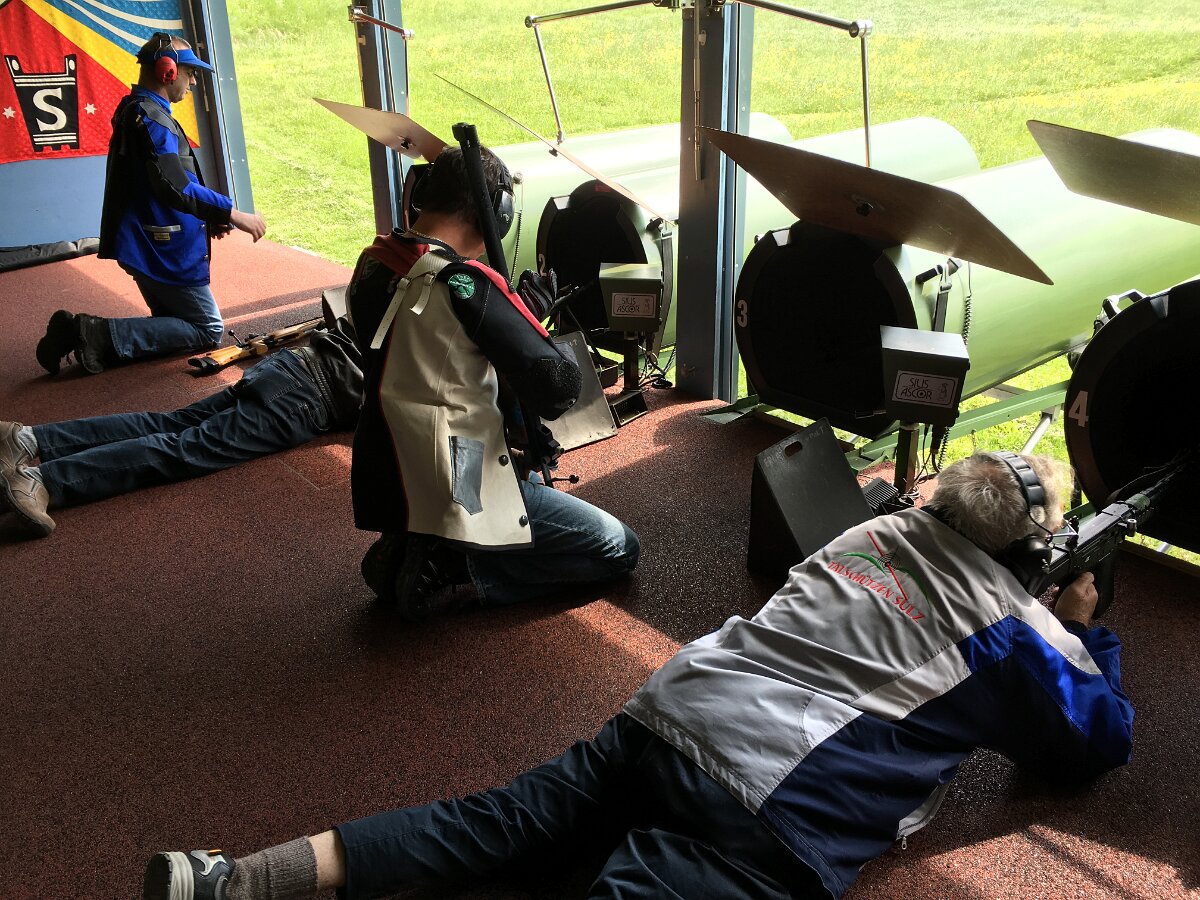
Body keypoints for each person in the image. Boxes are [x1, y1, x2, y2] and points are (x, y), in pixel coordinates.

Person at [141, 451, 1134, 900]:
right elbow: (1096, 741)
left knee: (489, 825)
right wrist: (1087, 630)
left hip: (665, 718)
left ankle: (233, 880)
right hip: (769, 808)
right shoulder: (1012, 631)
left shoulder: (866, 533)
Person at [345, 144, 639, 620]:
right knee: (618, 547)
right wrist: (530, 318)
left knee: (521, 476)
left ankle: (418, 544)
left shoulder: (375, 259)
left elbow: (435, 347)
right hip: (460, 477)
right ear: (496, 213)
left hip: (397, 468)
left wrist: (508, 315)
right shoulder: (463, 282)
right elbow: (559, 388)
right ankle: (462, 570)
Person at [36, 32, 267, 377]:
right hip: (159, 247)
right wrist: (231, 213)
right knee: (206, 327)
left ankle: (92, 339)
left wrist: (208, 218)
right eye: (190, 74)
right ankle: (90, 332)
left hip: (146, 240)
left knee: (173, 321)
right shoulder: (152, 119)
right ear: (167, 71)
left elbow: (156, 185)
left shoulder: (138, 110)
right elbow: (175, 186)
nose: (192, 83)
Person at [1, 317, 361, 538]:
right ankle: (40, 481)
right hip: (312, 395)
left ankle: (24, 440)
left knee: (171, 423)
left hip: (295, 363)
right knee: (186, 449)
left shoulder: (391, 266)